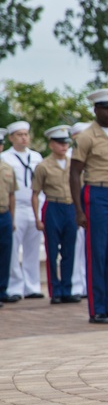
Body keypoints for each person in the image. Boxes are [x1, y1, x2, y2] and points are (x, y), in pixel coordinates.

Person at [71, 88, 108, 325]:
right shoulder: (86, 137)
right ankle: (97, 310)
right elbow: (74, 173)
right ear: (96, 109)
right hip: (95, 193)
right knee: (97, 252)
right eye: (106, 108)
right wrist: (78, 209)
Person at [31, 125, 79, 304]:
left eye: (65, 142)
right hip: (53, 207)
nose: (63, 146)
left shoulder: (73, 163)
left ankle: (67, 289)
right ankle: (55, 291)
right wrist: (37, 218)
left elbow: (78, 188)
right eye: (59, 143)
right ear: (51, 144)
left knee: (69, 251)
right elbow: (35, 193)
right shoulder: (43, 166)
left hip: (70, 208)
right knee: (52, 252)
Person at [1, 120, 44, 302]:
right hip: (16, 205)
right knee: (12, 248)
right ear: (11, 138)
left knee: (32, 248)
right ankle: (15, 286)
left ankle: (32, 286)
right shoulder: (6, 158)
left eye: (26, 134)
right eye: (19, 134)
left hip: (34, 205)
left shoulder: (36, 157)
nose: (24, 138)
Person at [68, 121, 90, 299]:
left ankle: (86, 285)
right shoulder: (69, 156)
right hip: (73, 206)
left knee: (88, 248)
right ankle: (76, 285)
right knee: (75, 248)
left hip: (89, 205)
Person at [0, 128, 16, 308]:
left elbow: (12, 195)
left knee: (5, 254)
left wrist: (12, 218)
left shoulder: (7, 168)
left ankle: (2, 290)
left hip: (4, 213)